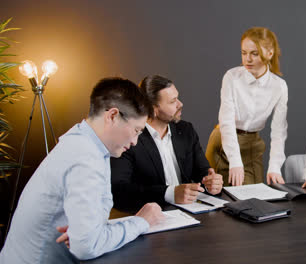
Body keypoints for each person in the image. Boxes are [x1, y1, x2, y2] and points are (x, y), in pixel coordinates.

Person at [0, 78, 164, 263]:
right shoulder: (85, 158)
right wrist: (141, 222)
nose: (135, 142)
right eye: (136, 130)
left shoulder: (83, 142)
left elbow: (86, 237)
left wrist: (85, 235)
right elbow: (87, 247)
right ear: (112, 116)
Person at [110, 75, 223, 211]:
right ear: (153, 109)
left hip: (191, 211)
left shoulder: (186, 130)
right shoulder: (130, 138)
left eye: (177, 98)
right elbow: (119, 190)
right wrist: (169, 193)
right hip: (152, 215)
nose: (180, 104)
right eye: (172, 101)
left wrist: (211, 182)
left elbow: (202, 170)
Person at [205, 27, 288, 186]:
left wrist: (275, 167)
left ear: (269, 53)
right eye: (244, 53)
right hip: (224, 143)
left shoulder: (280, 86)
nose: (247, 59)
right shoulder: (232, 77)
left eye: (254, 53)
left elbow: (279, 131)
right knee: (217, 197)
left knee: (254, 199)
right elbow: (226, 121)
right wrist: (235, 161)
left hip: (252, 146)